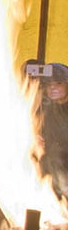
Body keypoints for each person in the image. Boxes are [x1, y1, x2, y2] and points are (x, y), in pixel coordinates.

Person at [38, 62, 68, 199]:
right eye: (49, 85)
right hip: (48, 176)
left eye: (58, 83)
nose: (53, 88)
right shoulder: (42, 108)